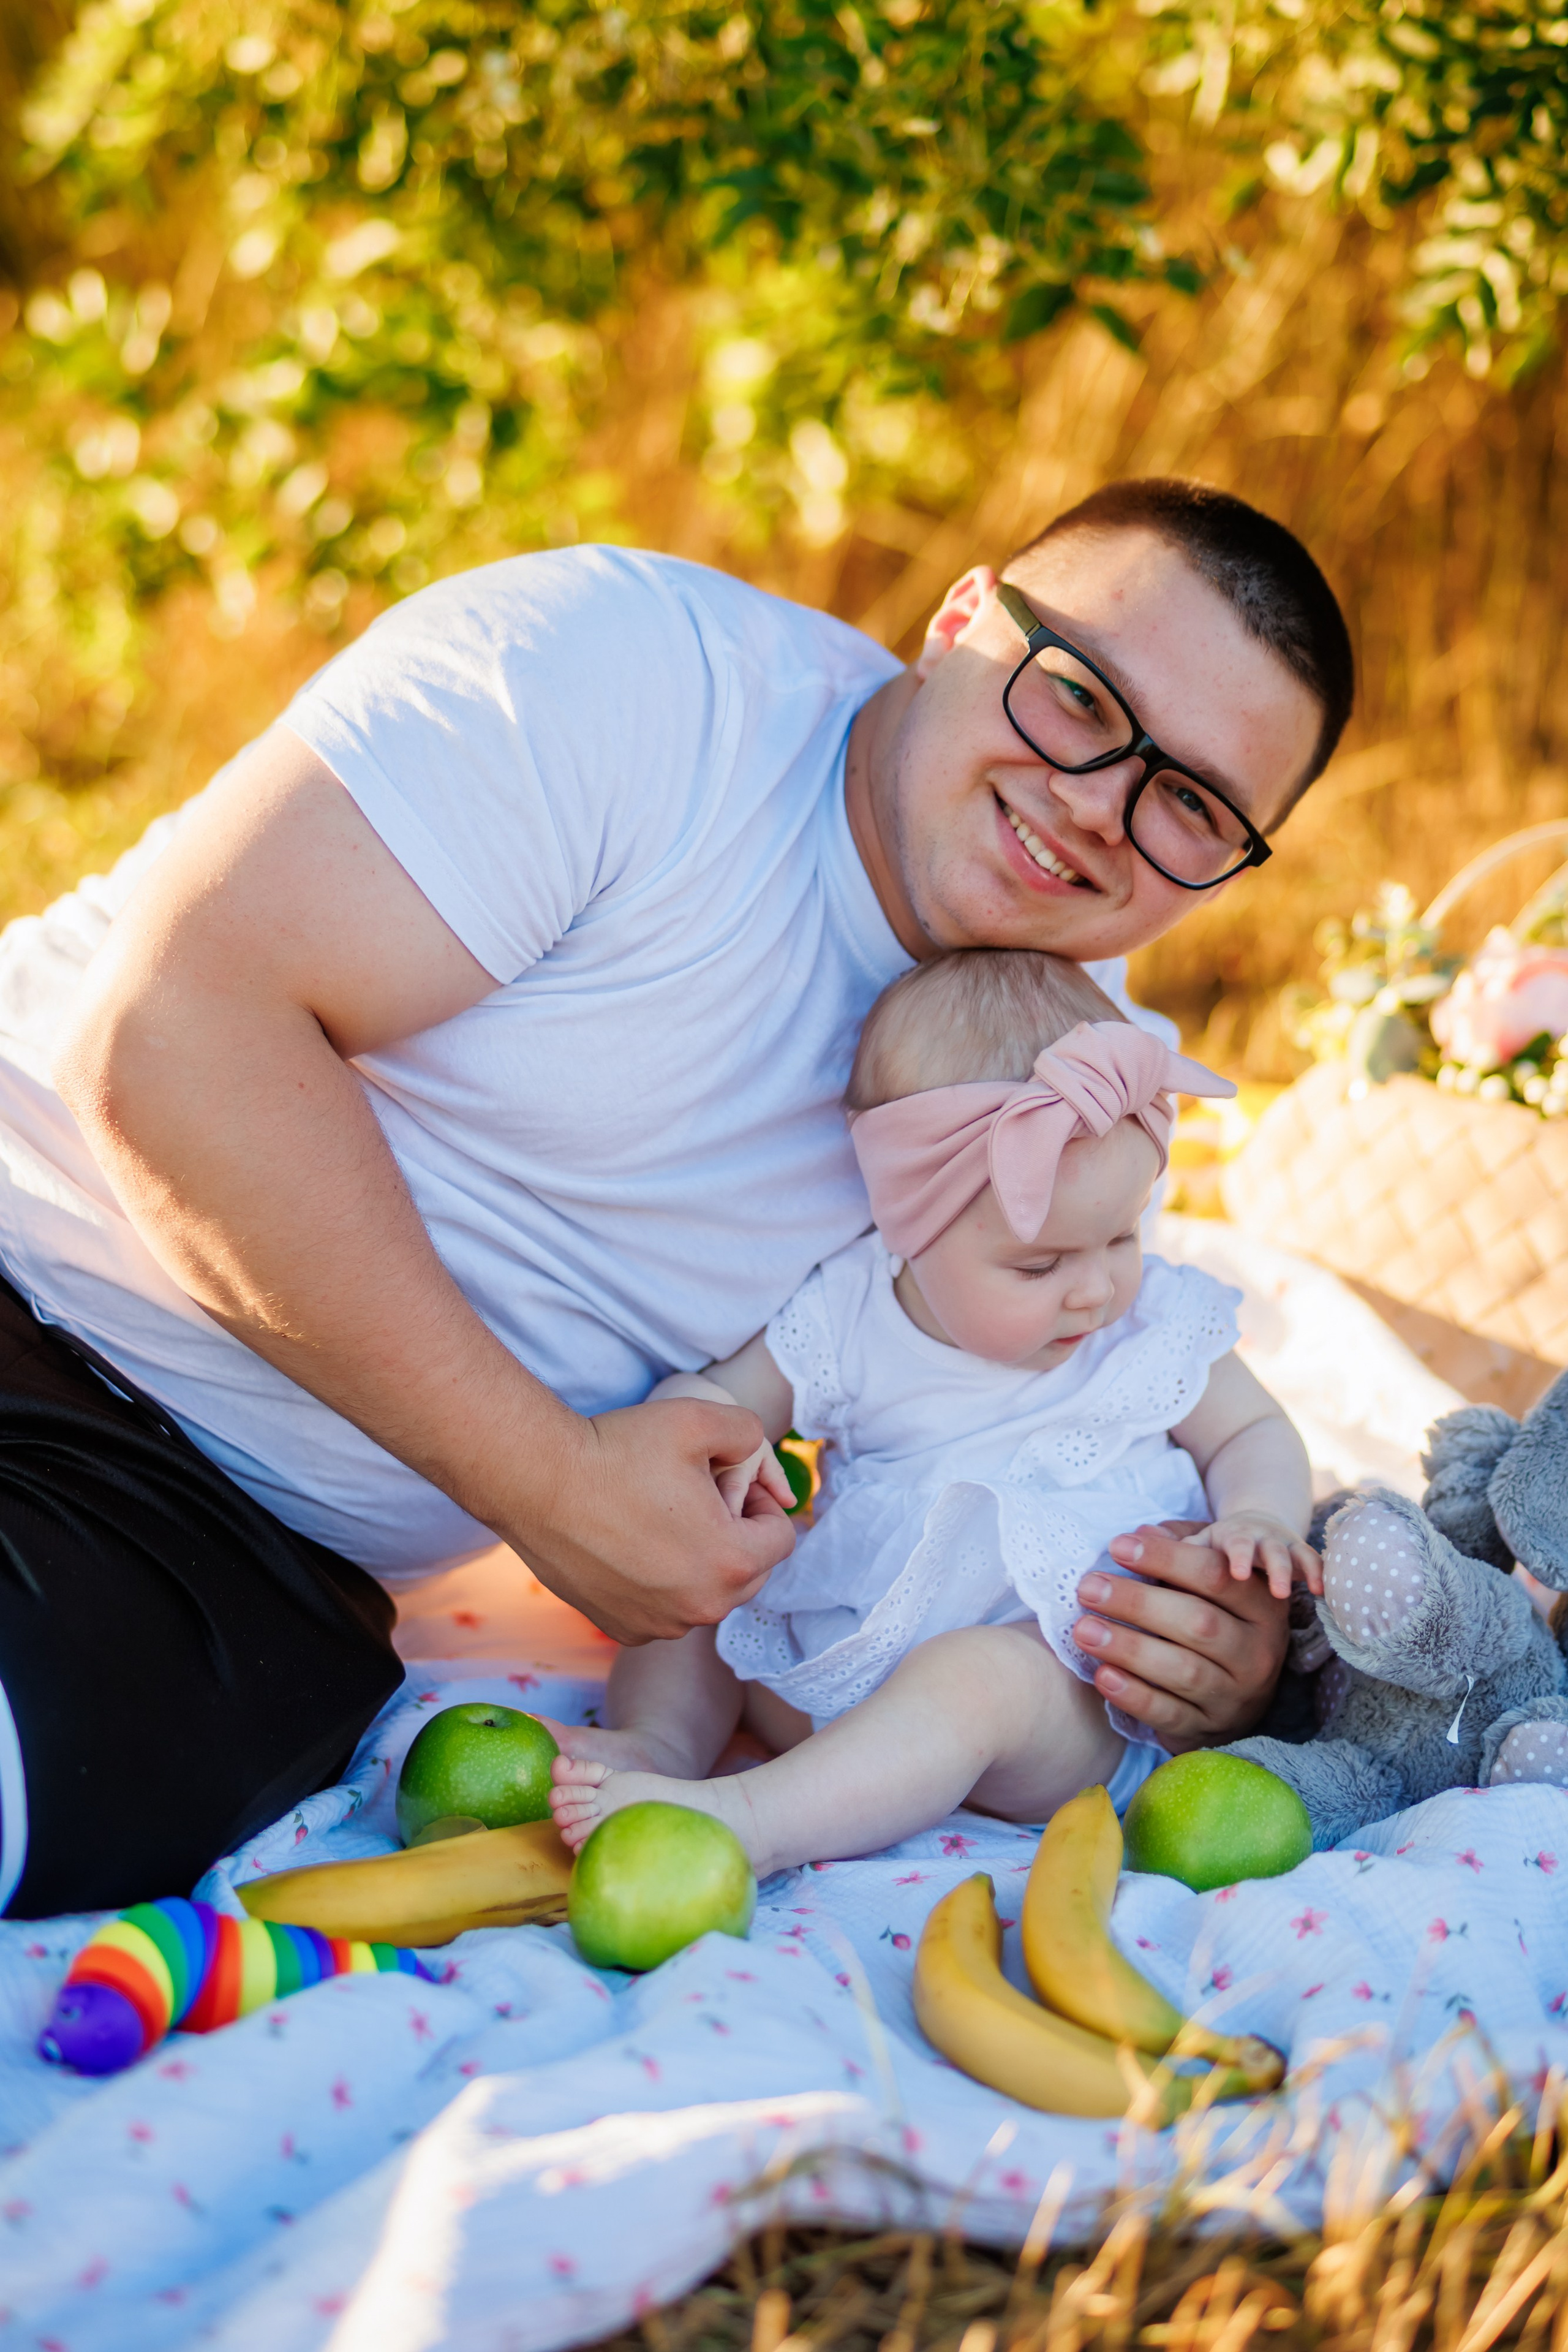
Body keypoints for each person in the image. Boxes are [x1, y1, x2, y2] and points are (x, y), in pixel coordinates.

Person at [0, 476, 1352, 1914]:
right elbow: (167, 1036)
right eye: (1077, 697)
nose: (1096, 810)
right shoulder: (635, 683)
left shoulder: (1042, 1040)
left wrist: (1192, 1642)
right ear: (961, 620)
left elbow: (1027, 1426)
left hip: (222, 1554)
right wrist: (549, 1485)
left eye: (1191, 805)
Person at [549, 950, 1321, 1872]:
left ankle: (748, 1822)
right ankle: (660, 1746)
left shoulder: (1150, 1321)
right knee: (704, 1604)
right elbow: (715, 1402)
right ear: (909, 1225)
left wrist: (1260, 1516)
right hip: (838, 1662)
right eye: (1041, 1266)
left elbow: (1253, 1428)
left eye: (1122, 1234)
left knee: (973, 1679)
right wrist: (707, 1444)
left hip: (1065, 1695)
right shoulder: (849, 1311)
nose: (1095, 1290)